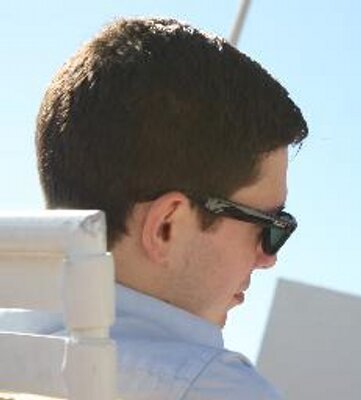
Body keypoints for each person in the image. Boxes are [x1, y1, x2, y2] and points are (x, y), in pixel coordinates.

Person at [2, 17, 308, 399]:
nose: (268, 258)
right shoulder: (211, 387)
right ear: (167, 226)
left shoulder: (13, 352)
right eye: (271, 226)